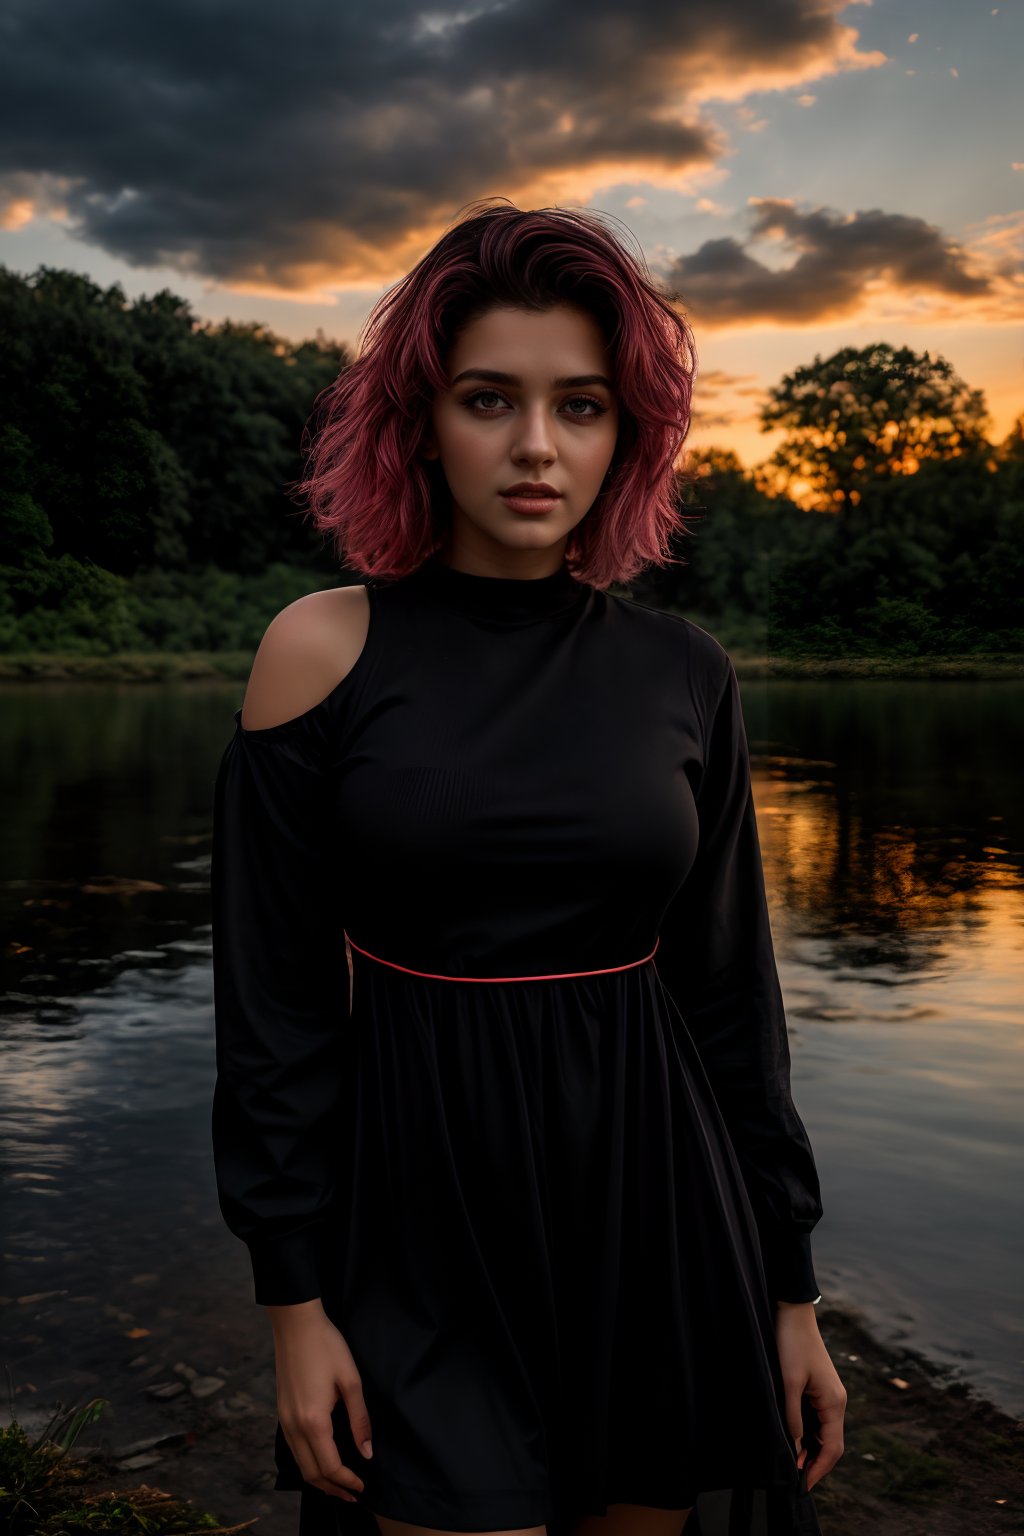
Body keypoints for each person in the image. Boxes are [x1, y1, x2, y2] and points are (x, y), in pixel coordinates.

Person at [210, 198, 847, 1536]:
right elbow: (273, 1015)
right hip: (416, 1214)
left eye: (584, 406)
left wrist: (788, 1291)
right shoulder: (319, 652)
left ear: (633, 436)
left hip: (653, 1206)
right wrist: (293, 1303)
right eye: (490, 400)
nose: (537, 447)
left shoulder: (685, 674)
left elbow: (733, 998)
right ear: (420, 422)